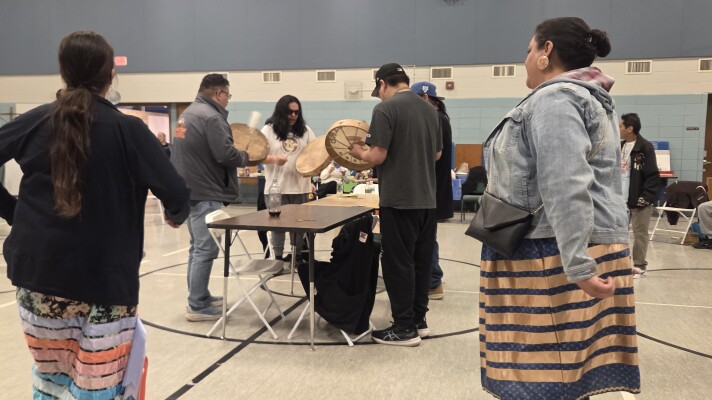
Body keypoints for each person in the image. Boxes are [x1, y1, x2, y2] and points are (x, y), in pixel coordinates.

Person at [0, 31, 190, 399]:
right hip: (105, 281)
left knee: (50, 380)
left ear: (63, 73)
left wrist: (15, 212)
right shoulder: (128, 130)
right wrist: (175, 214)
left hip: (38, 274)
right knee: (97, 387)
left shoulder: (35, 121)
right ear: (110, 76)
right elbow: (177, 193)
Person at [478, 18, 640, 399]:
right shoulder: (582, 97)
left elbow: (565, 181)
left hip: (549, 251)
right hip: (567, 244)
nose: (525, 60)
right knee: (567, 371)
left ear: (546, 51)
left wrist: (580, 264)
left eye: (528, 51)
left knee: (542, 377)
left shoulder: (555, 99)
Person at [349, 63, 441, 346]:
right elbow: (437, 155)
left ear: (382, 84)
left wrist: (358, 151)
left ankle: (403, 328)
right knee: (421, 262)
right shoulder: (430, 109)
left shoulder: (385, 109)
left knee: (397, 263)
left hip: (400, 199)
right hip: (427, 199)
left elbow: (377, 155)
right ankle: (418, 320)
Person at [171, 74, 250, 321]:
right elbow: (225, 154)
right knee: (205, 249)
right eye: (228, 95)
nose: (228, 101)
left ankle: (200, 296)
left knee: (197, 248)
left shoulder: (188, 114)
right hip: (205, 191)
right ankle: (197, 305)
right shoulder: (212, 117)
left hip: (190, 191)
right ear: (219, 94)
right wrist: (246, 156)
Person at [261, 95, 316, 262]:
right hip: (276, 188)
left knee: (299, 227)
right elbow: (257, 156)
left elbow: (315, 153)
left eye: (296, 112)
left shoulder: (305, 131)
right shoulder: (269, 130)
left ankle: (297, 258)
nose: (293, 116)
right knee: (277, 227)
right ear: (281, 112)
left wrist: (312, 176)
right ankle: (277, 259)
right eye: (290, 112)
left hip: (300, 187)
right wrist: (274, 160)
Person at [412, 81, 453, 300]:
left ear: (426, 98)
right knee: (427, 237)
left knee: (426, 238)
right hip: (435, 187)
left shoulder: (434, 119)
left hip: (431, 188)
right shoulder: (441, 119)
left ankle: (433, 281)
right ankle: (433, 277)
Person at [619, 113, 660, 277]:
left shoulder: (645, 147)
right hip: (620, 199)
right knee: (619, 234)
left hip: (639, 199)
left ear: (630, 128)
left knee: (639, 233)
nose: (619, 129)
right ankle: (620, 264)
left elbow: (653, 175)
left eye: (621, 126)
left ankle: (639, 265)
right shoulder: (620, 146)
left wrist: (646, 197)